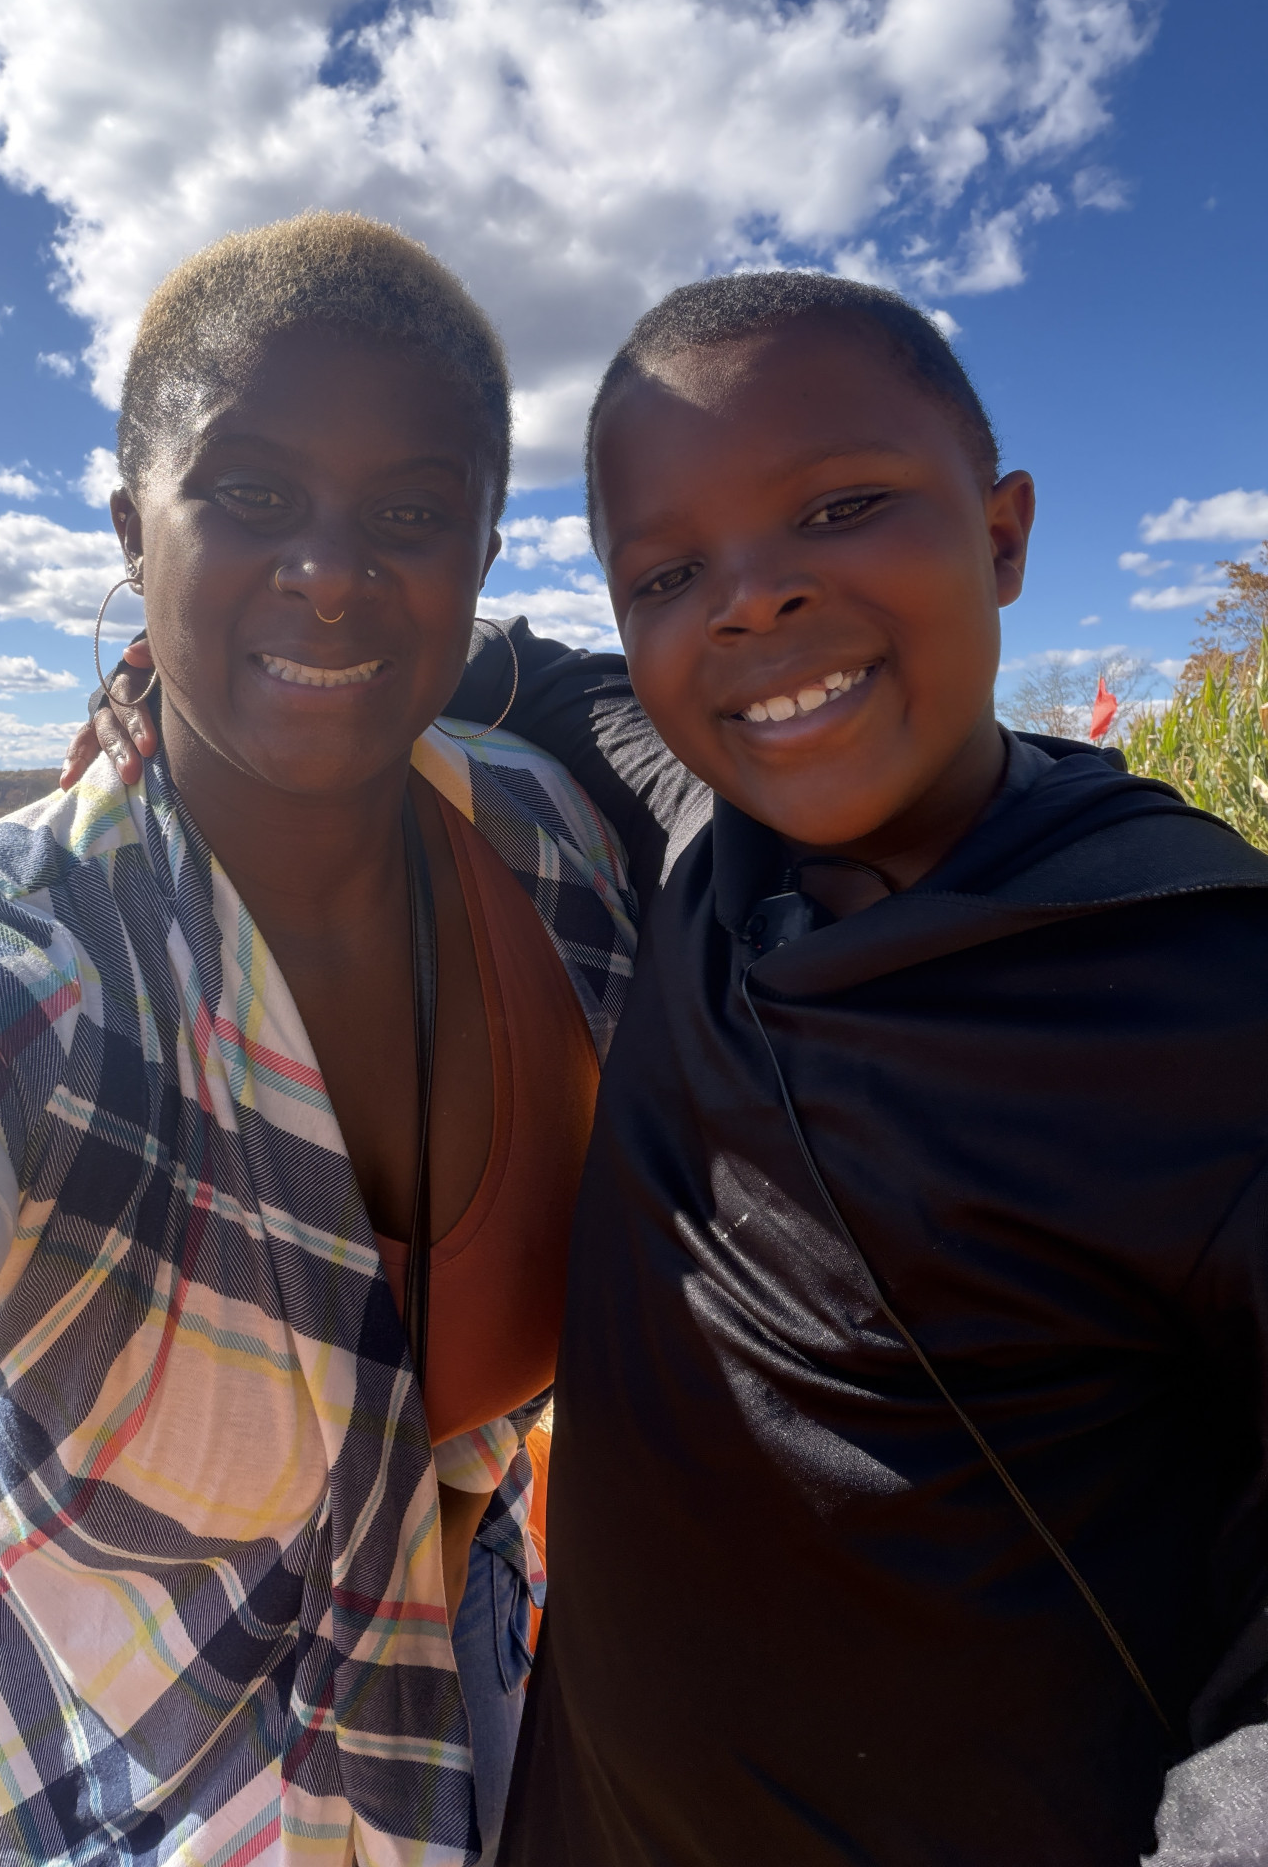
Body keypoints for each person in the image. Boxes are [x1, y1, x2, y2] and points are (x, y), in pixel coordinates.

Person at [70, 272, 1268, 1864]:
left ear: (1002, 535)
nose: (751, 601)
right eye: (668, 572)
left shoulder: (1205, 994)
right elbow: (479, 656)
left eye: (840, 508)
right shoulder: (700, 828)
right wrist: (181, 665)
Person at [0, 215, 636, 1867]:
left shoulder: (562, 861)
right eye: (251, 493)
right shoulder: (1, 978)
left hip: (470, 1723)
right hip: (49, 1789)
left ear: (483, 556)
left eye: (411, 514)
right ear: (129, 524)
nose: (332, 571)